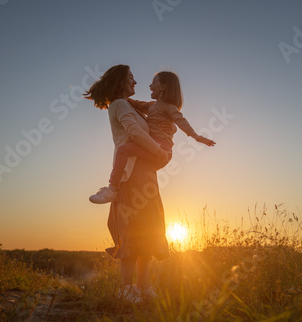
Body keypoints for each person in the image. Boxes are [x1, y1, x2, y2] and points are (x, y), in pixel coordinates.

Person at [83, 64, 171, 303]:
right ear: (120, 81)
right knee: (132, 232)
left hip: (146, 175)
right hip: (131, 177)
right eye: (131, 78)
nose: (135, 82)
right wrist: (158, 151)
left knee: (148, 233)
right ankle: (127, 289)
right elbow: (133, 132)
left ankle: (143, 287)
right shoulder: (119, 105)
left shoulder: (128, 105)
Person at [89, 71, 215, 204]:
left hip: (162, 147)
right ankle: (117, 188)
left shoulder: (169, 108)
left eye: (154, 82)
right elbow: (133, 103)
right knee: (135, 165)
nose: (150, 85)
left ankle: (112, 189)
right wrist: (112, 91)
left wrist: (197, 137)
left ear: (163, 87)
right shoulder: (151, 106)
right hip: (154, 147)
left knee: (123, 150)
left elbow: (182, 121)